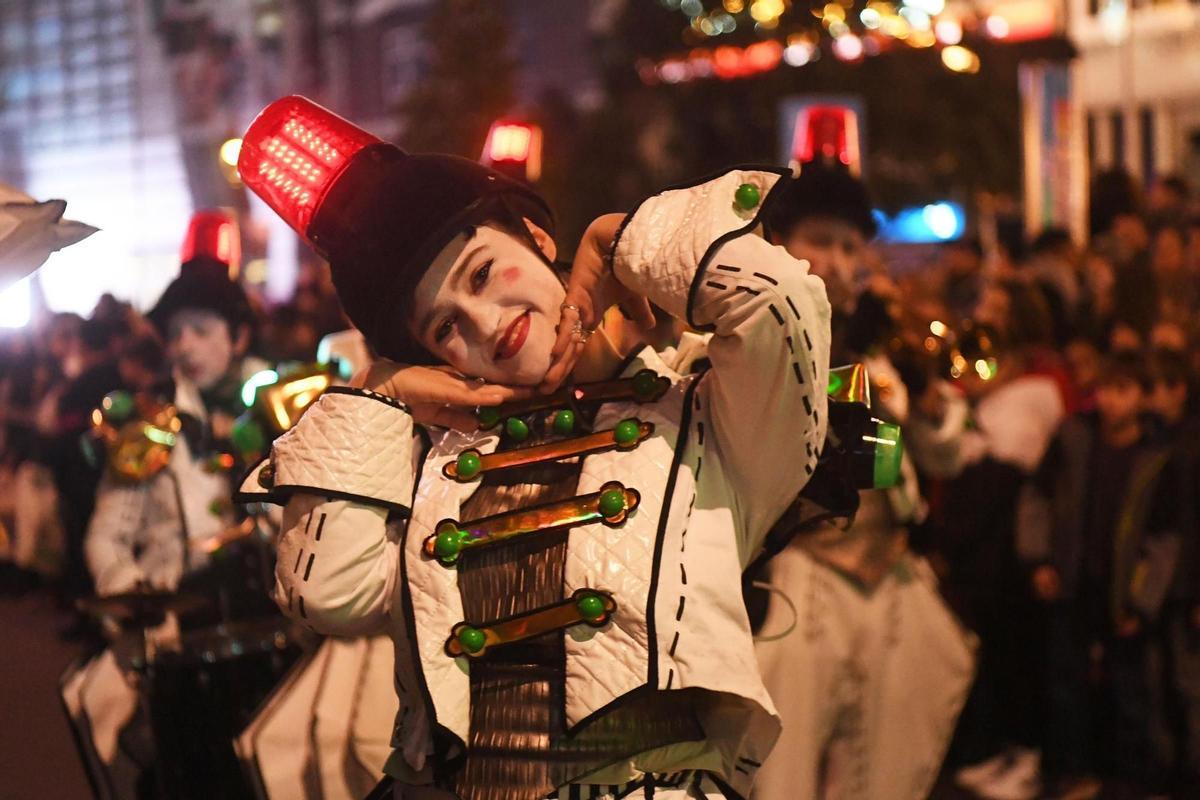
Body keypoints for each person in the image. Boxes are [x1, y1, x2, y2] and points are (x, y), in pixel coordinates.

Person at [236, 95, 831, 799]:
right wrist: (378, 393)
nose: (485, 324)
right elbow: (325, 595)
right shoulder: (433, 467)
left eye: (482, 274)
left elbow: (780, 301)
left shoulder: (704, 412)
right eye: (444, 329)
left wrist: (625, 241)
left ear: (538, 238)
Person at [752, 165, 974, 800]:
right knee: (782, 766)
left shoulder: (879, 347)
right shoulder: (752, 334)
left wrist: (924, 402)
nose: (838, 261)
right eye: (820, 240)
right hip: (799, 572)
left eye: (851, 247)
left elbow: (941, 459)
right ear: (780, 243)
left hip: (889, 570)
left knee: (884, 763)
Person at [1024, 352, 1176, 796]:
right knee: (1066, 685)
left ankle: (1132, 780)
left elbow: (1165, 537)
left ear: (1142, 397)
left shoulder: (1158, 455)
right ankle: (1076, 772)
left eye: (1123, 390)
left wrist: (1143, 601)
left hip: (1122, 589)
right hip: (1073, 578)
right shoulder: (1075, 436)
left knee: (1131, 692)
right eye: (1106, 389)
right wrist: (1039, 558)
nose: (1110, 401)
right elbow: (1038, 496)